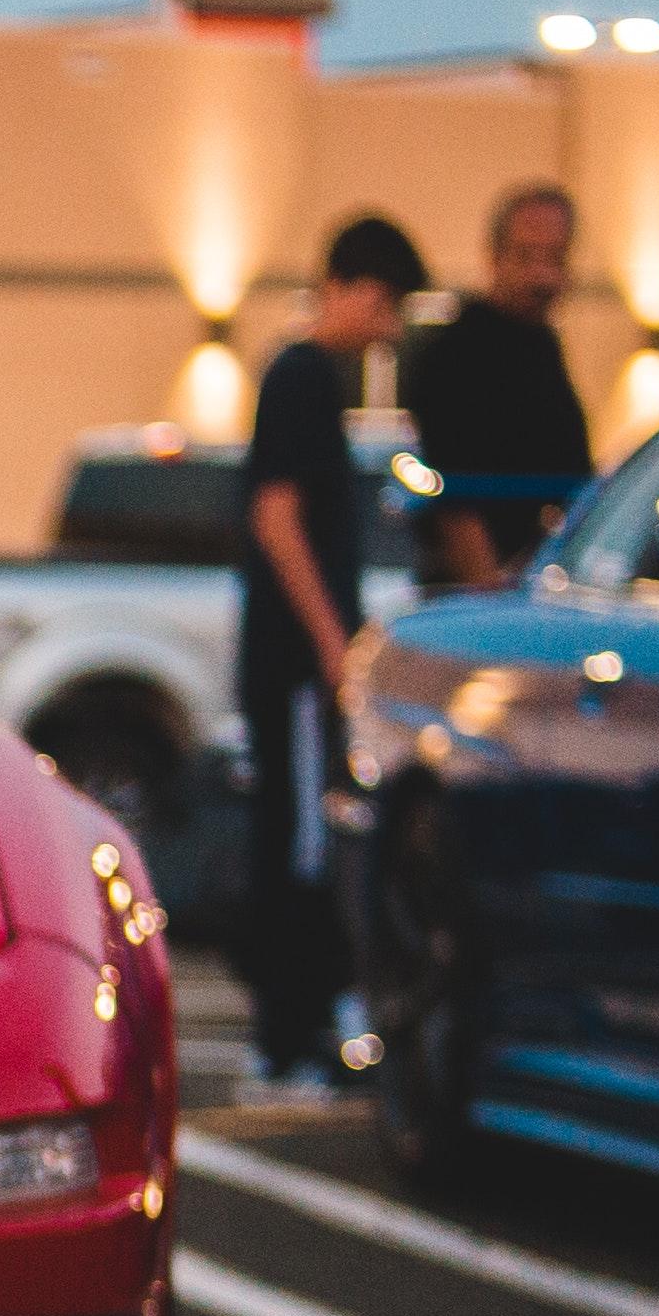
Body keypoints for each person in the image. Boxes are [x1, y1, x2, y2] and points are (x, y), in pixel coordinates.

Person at [234, 214, 420, 1102]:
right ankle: (287, 1040)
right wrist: (331, 646)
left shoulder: (297, 375)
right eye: (384, 306)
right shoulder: (302, 376)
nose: (386, 330)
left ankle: (290, 1034)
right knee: (304, 847)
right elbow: (278, 518)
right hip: (297, 668)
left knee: (297, 837)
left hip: (289, 663)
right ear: (346, 287)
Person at [401, 179, 588, 586]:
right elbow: (455, 494)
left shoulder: (543, 345)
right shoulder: (454, 354)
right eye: (526, 256)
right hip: (475, 593)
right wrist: (490, 593)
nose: (541, 276)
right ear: (494, 256)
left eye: (555, 258)